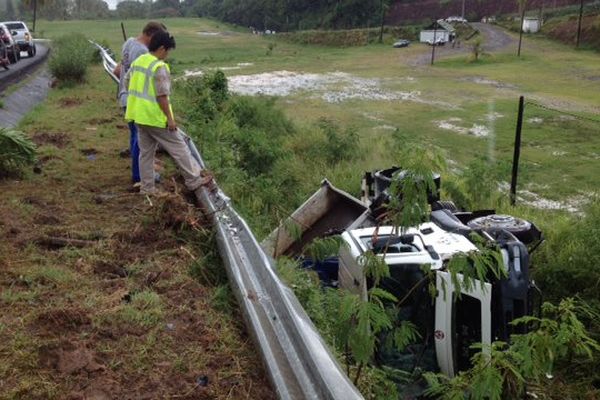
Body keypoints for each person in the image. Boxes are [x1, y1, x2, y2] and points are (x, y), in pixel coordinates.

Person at [124, 31, 210, 195]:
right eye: (168, 51)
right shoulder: (159, 66)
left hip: (139, 117)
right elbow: (162, 96)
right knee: (180, 148)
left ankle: (147, 188)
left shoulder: (139, 61)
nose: (167, 55)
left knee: (146, 154)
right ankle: (193, 180)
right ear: (162, 48)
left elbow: (127, 82)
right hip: (155, 118)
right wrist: (170, 119)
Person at [113, 21, 166, 188]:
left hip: (125, 97)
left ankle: (139, 173)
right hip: (135, 101)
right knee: (140, 140)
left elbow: (119, 69)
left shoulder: (129, 43)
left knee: (134, 136)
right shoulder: (142, 52)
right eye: (157, 39)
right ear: (151, 35)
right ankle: (139, 176)